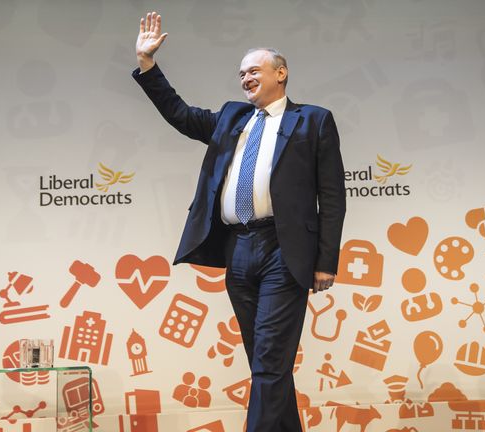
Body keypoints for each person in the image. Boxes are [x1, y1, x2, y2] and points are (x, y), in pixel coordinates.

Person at [133, 11, 346, 432]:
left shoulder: (313, 120)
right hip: (239, 249)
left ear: (280, 73)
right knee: (267, 361)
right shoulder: (232, 118)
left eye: (254, 70)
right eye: (241, 73)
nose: (245, 78)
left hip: (285, 250)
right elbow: (180, 114)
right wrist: (147, 65)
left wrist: (327, 260)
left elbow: (333, 196)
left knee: (269, 360)